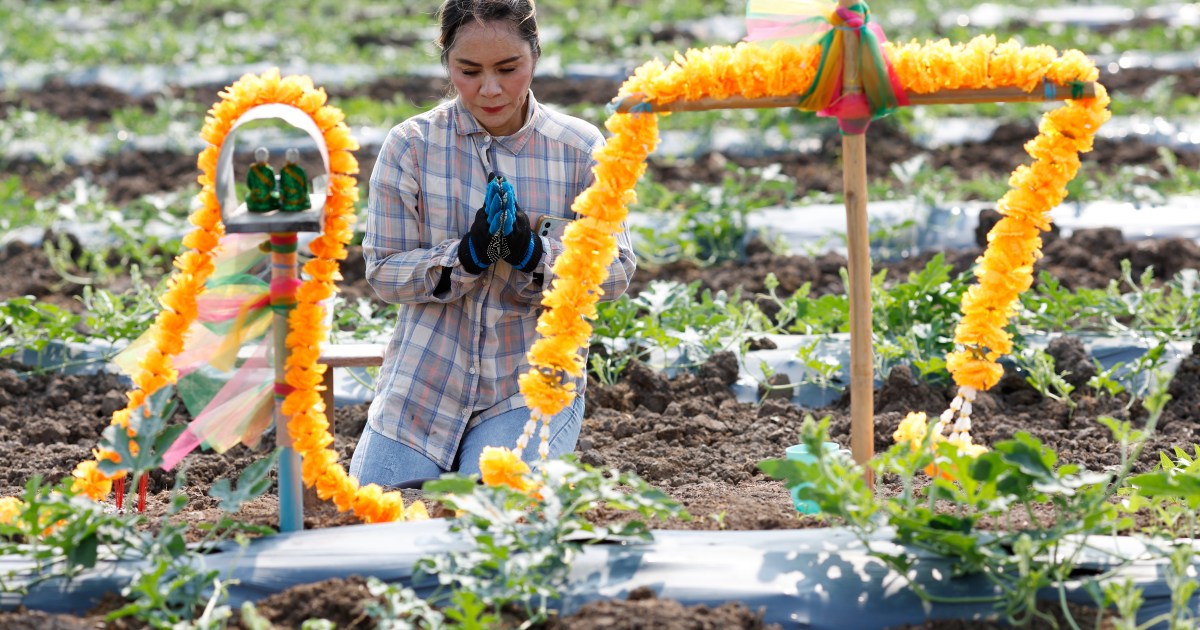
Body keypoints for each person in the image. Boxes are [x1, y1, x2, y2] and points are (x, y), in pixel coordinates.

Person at [349, 0, 637, 488]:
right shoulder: (411, 146)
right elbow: (383, 270)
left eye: (508, 69)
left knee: (495, 506)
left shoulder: (579, 150)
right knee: (377, 509)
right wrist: (464, 257)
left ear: (535, 55)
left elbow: (616, 270)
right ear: (446, 61)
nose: (490, 88)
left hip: (527, 385)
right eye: (469, 71)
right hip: (422, 387)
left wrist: (534, 256)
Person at [245, 147, 279, 213]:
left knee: (248, 197)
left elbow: (249, 183)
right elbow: (273, 185)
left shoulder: (252, 169)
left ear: (255, 156)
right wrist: (267, 191)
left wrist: (254, 190)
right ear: (267, 157)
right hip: (267, 198)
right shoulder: (269, 169)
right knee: (276, 197)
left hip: (254, 197)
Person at [278, 148, 311, 212]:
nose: (292, 158)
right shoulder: (285, 170)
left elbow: (304, 186)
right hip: (294, 198)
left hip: (293, 199)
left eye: (294, 156)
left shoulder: (285, 170)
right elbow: (305, 187)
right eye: (291, 156)